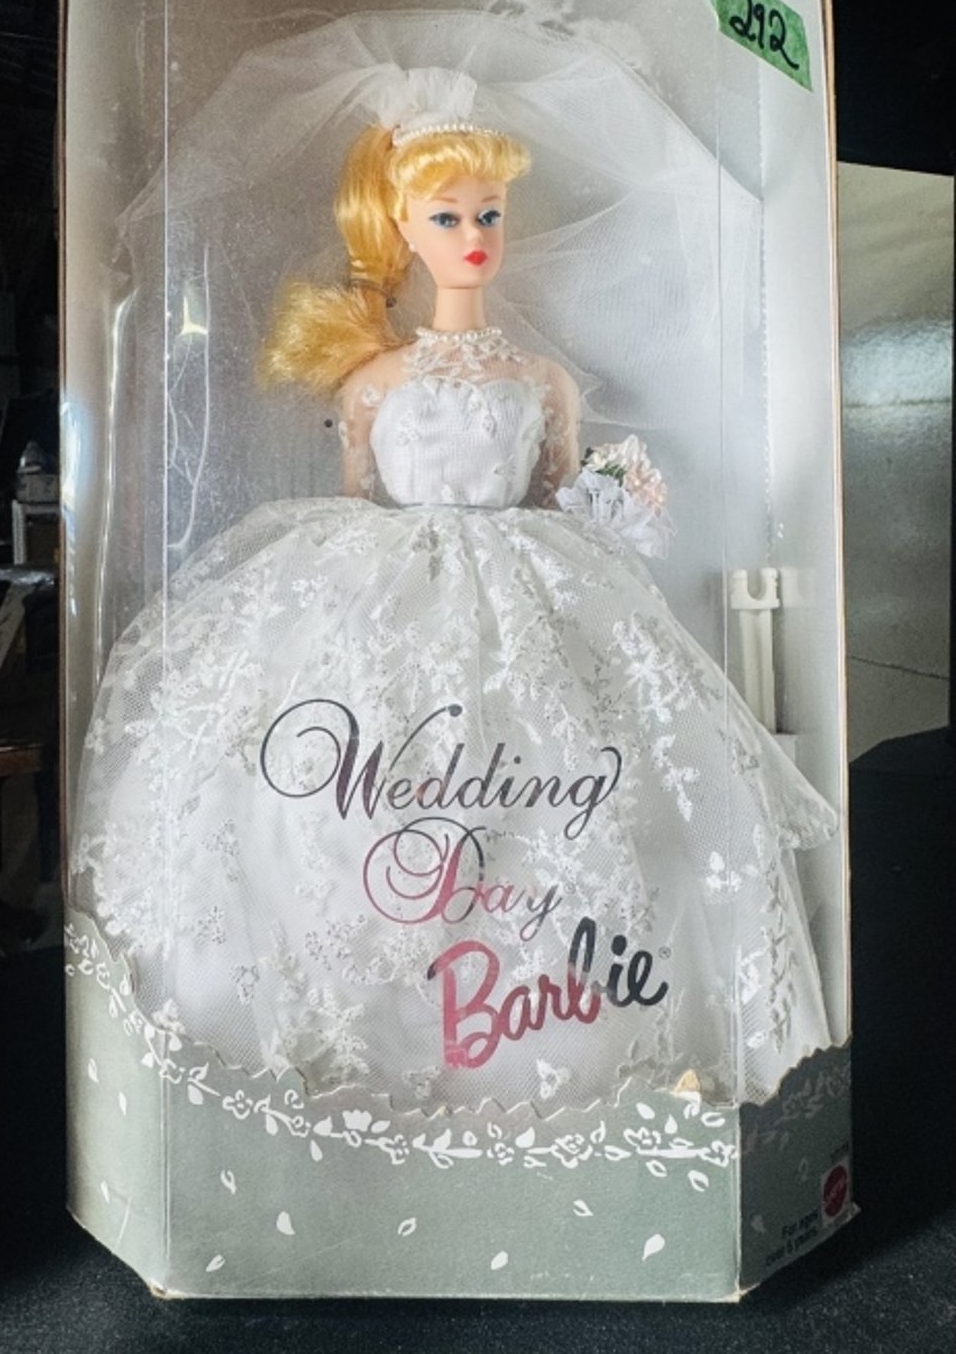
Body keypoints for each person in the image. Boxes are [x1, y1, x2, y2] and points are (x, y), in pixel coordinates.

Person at [71, 61, 837, 1115]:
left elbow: (557, 499)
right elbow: (359, 499)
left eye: (488, 213)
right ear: (402, 226)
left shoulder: (544, 383)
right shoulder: (372, 381)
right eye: (447, 215)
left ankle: (560, 1028)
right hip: (386, 587)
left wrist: (613, 510)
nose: (472, 234)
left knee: (577, 786)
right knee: (336, 788)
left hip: (533, 588)